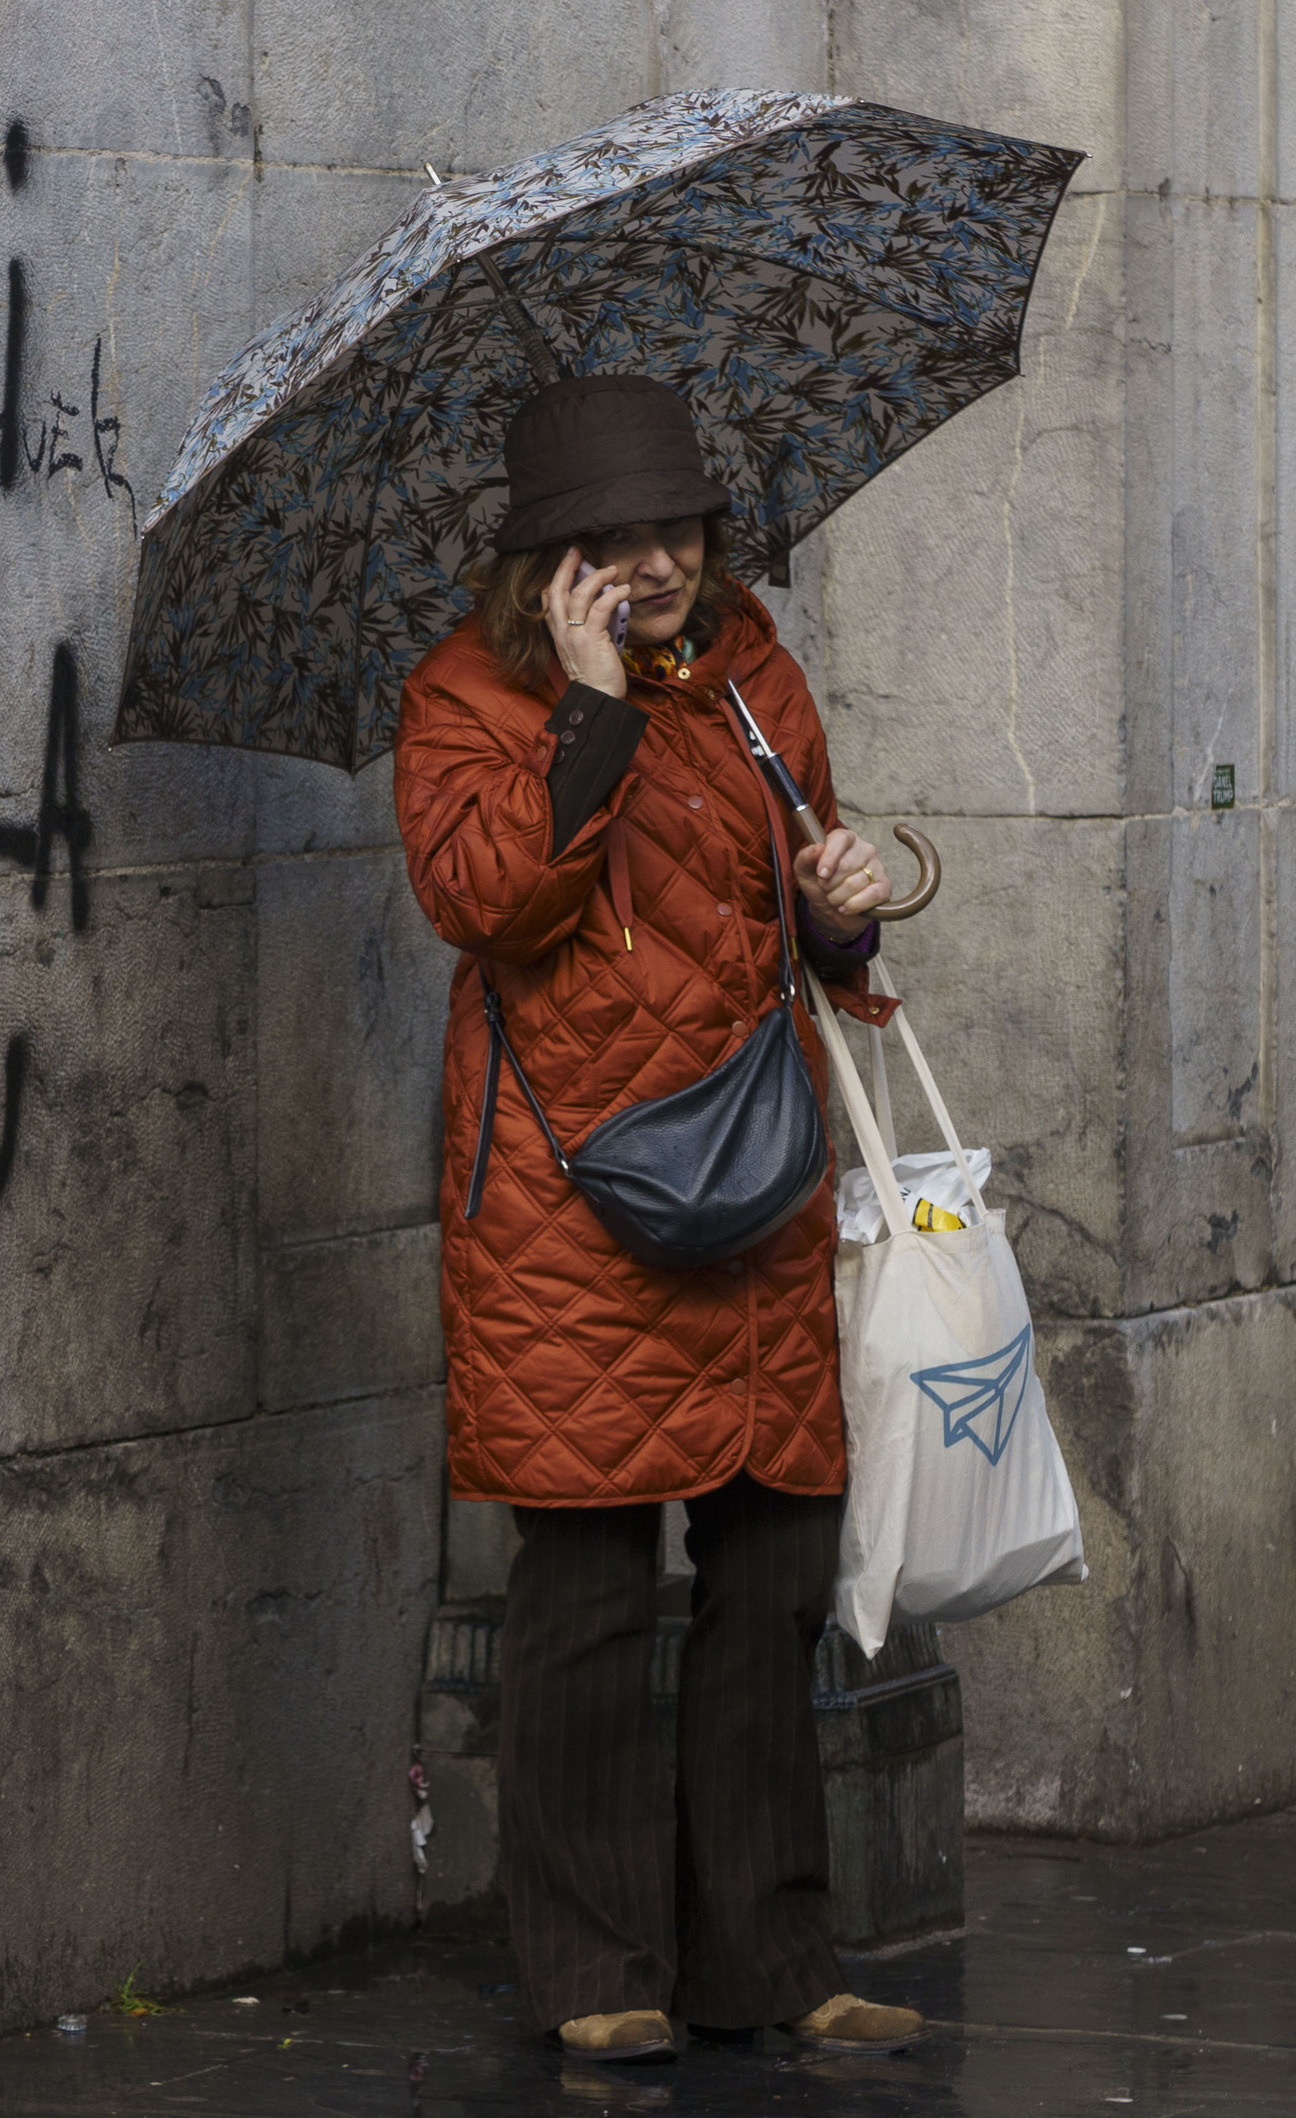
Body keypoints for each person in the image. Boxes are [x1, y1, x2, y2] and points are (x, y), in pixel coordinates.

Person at [391, 373, 924, 2065]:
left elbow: (793, 909)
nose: (658, 563)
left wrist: (843, 914)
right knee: (591, 1580)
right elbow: (484, 894)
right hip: (574, 1205)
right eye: (612, 540)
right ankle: (593, 1966)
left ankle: (773, 1955)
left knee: (771, 1565)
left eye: (677, 527)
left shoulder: (759, 672)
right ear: (548, 559)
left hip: (755, 1175)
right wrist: (597, 707)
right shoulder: (469, 697)